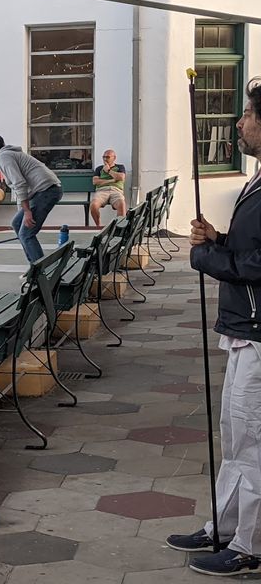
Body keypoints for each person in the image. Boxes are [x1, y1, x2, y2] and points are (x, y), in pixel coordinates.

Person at [167, 78, 261, 578]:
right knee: (235, 435)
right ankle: (225, 526)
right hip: (245, 328)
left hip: (259, 333)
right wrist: (219, 239)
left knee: (253, 442)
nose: (240, 123)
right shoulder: (257, 181)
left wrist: (208, 257)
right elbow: (250, 248)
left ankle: (250, 545)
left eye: (248, 115)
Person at [0, 134, 63, 262]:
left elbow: (19, 183)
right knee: (16, 223)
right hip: (44, 190)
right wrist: (23, 211)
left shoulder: (4, 157)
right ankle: (35, 266)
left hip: (47, 190)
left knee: (26, 234)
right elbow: (18, 188)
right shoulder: (6, 156)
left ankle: (41, 271)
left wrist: (27, 212)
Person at [90, 149, 127, 226]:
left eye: (107, 157)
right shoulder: (99, 168)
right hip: (101, 191)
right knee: (93, 205)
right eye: (103, 157)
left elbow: (121, 177)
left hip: (116, 191)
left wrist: (109, 170)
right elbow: (95, 181)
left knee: (122, 204)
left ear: (114, 158)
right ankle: (98, 227)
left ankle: (119, 227)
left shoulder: (120, 167)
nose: (105, 159)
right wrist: (112, 180)